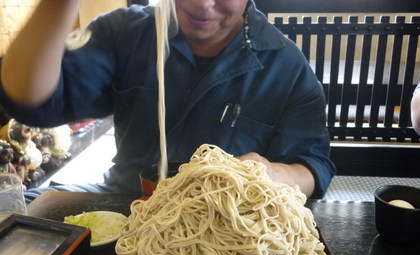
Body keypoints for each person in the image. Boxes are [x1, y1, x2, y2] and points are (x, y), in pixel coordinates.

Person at [0, 0, 335, 203]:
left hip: (227, 217)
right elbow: (31, 100)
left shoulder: (286, 64)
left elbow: (313, 166)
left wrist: (271, 174)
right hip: (126, 199)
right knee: (19, 208)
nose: (202, 5)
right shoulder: (126, 32)